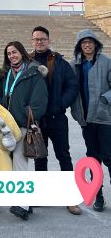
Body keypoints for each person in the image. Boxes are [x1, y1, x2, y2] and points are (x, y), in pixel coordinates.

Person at [30, 25, 80, 215]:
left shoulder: (58, 61)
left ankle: (70, 198)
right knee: (40, 158)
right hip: (37, 120)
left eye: (42, 39)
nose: (39, 42)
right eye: (36, 39)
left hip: (57, 118)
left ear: (48, 41)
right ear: (32, 41)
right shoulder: (28, 61)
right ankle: (41, 195)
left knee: (64, 157)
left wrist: (61, 104)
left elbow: (72, 85)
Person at [0, 41, 48, 221]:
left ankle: (22, 205)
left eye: (15, 52)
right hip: (7, 127)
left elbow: (40, 102)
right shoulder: (5, 75)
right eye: (9, 53)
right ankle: (24, 201)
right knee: (12, 164)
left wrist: (24, 113)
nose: (12, 56)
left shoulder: (34, 73)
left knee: (20, 163)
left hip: (22, 126)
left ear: (22, 52)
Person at [70, 29, 111, 212]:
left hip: (104, 118)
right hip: (86, 119)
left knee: (109, 156)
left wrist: (105, 100)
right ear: (79, 45)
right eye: (84, 42)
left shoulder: (106, 62)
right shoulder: (74, 65)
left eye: (90, 42)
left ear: (96, 44)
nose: (87, 45)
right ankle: (98, 196)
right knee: (93, 159)